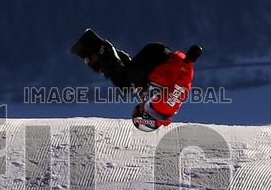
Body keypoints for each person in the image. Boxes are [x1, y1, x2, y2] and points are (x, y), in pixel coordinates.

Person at [70, 28, 202, 132]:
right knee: (125, 84)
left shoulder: (159, 107)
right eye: (137, 111)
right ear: (146, 117)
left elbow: (179, 88)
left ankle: (103, 52)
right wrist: (189, 61)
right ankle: (99, 49)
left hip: (158, 60)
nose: (137, 107)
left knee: (131, 81)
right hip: (159, 58)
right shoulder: (163, 106)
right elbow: (182, 86)